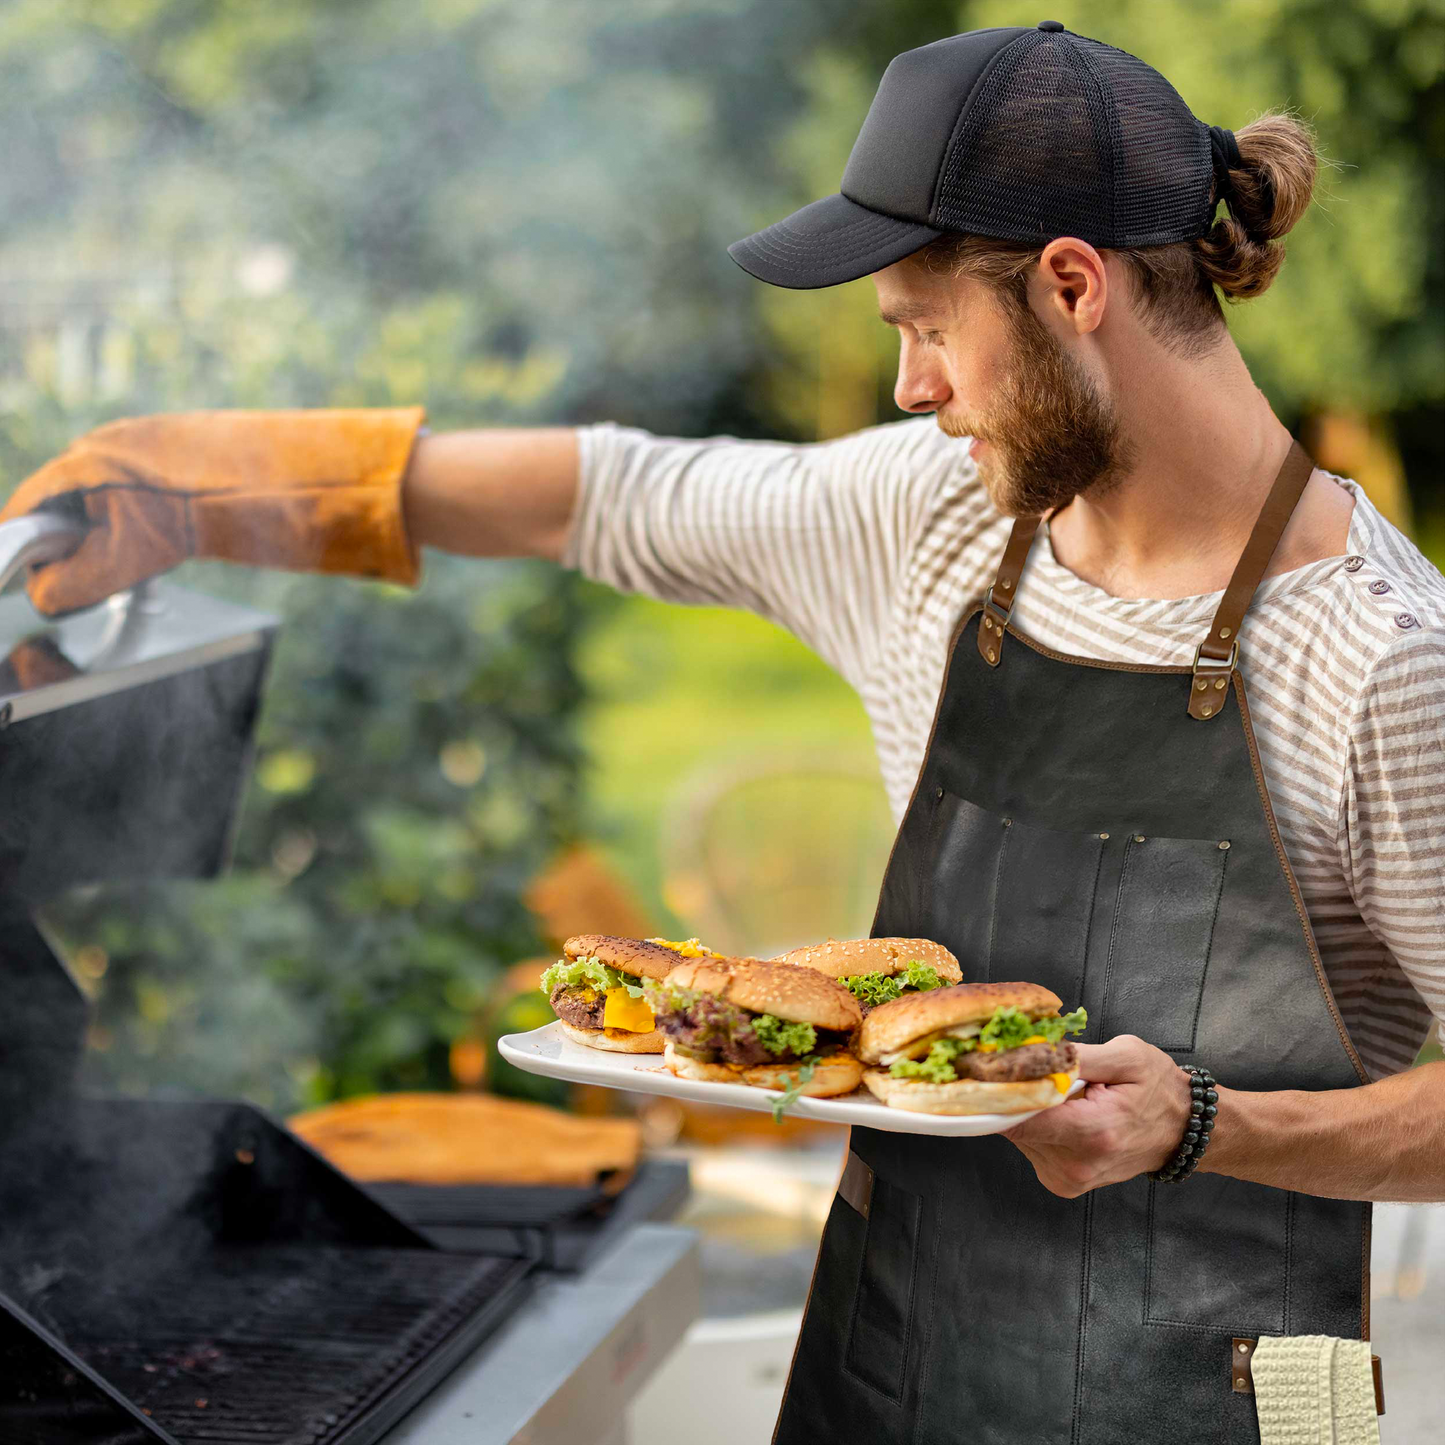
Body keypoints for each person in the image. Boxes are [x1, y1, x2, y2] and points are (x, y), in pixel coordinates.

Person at [3, 20, 1442, 1444]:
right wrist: (200, 486)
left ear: (1073, 286)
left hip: (1252, 1397)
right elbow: (603, 495)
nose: (909, 388)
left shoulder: (1383, 661)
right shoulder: (932, 521)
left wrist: (1205, 1127)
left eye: (928, 329)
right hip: (902, 1367)